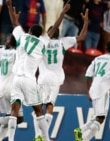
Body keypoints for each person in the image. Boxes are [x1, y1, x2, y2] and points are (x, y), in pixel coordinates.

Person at [4, 0, 70, 141]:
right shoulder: (42, 42)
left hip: (16, 79)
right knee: (39, 111)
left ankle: (10, 139)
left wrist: (9, 6)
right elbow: (54, 29)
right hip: (29, 80)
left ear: (29, 31)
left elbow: (15, 24)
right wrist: (63, 13)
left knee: (14, 110)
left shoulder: (22, 37)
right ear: (40, 35)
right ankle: (45, 139)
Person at [32, 8, 89, 141]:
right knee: (50, 106)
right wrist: (85, 22)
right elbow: (82, 37)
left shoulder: (42, 42)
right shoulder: (63, 42)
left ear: (49, 33)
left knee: (38, 108)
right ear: (59, 34)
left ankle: (38, 136)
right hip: (55, 79)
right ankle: (43, 136)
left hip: (42, 78)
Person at [74, 40, 110, 141]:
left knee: (98, 116)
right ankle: (83, 134)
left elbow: (88, 75)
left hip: (93, 88)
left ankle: (81, 132)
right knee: (101, 118)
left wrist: (89, 91)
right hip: (103, 89)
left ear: (106, 48)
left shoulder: (97, 59)